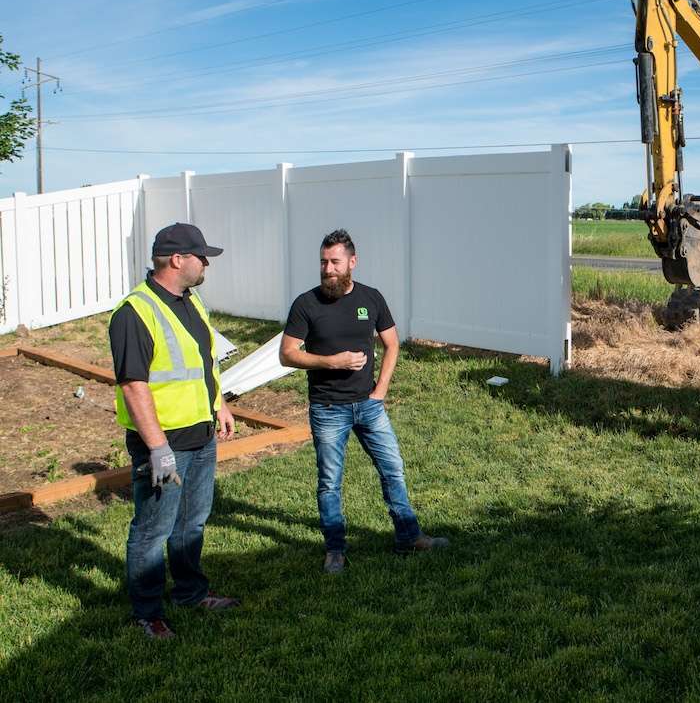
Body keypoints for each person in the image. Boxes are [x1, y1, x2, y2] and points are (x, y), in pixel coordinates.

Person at [280, 229, 448, 574]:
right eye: (323, 262)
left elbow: (392, 344)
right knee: (330, 481)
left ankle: (409, 537)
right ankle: (335, 550)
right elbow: (287, 355)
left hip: (369, 406)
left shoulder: (371, 298)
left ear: (352, 263)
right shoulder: (305, 304)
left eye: (335, 262)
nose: (328, 269)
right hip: (328, 409)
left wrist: (381, 389)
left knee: (393, 470)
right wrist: (331, 362)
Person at [109, 223, 239, 640]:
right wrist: (158, 449)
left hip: (200, 436)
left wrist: (219, 404)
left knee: (193, 522)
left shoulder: (192, 301)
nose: (206, 264)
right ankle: (147, 612)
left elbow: (203, 362)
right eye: (202, 257)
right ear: (177, 260)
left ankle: (190, 592)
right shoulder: (136, 312)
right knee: (153, 530)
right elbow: (134, 384)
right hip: (164, 445)